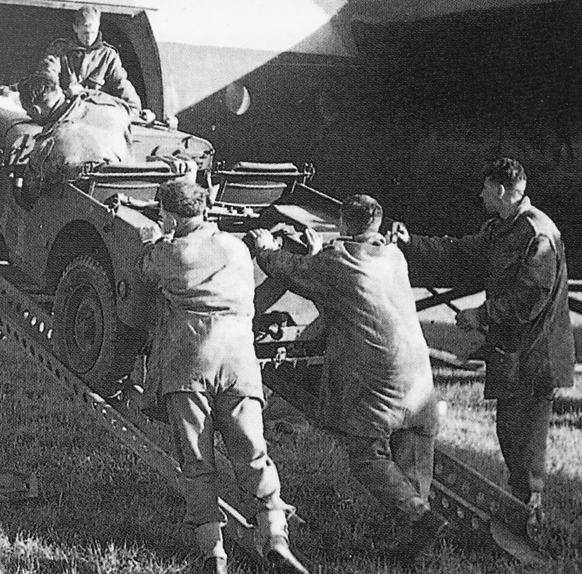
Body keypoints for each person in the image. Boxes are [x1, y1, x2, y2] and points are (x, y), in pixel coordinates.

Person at [248, 195, 448, 563]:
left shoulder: (338, 261)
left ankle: (420, 519)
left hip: (376, 377)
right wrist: (320, 254)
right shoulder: (393, 256)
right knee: (411, 454)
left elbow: (291, 270)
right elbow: (349, 283)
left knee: (367, 456)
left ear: (342, 222)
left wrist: (265, 249)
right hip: (417, 374)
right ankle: (413, 541)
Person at [392, 158, 575, 528]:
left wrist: (482, 315)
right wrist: (412, 243)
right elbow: (460, 251)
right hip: (516, 353)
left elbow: (530, 299)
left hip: (537, 357)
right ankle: (522, 513)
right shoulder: (502, 229)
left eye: (486, 188)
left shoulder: (537, 234)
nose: (480, 195)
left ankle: (530, 521)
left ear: (501, 190)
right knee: (511, 432)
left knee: (525, 440)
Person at [138, 179, 308, 574]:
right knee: (253, 453)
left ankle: (213, 553)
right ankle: (276, 534)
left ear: (170, 217)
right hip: (240, 363)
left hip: (190, 363)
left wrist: (153, 238)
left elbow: (144, 270)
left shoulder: (170, 252)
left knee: (198, 463)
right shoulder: (237, 248)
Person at [16, 73, 132, 203]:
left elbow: (30, 193)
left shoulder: (48, 144)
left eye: (28, 111)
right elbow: (125, 107)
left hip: (82, 206)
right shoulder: (112, 106)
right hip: (128, 189)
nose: (27, 114)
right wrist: (81, 93)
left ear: (36, 110)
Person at [39, 5, 154, 122]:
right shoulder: (59, 49)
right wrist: (62, 93)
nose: (89, 37)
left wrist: (134, 108)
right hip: (65, 112)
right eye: (85, 33)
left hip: (95, 115)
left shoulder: (108, 55)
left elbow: (121, 82)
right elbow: (48, 74)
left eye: (93, 32)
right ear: (75, 28)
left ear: (98, 27)